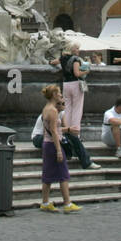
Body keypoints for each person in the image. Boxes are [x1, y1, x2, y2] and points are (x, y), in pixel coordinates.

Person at [38, 84, 80, 213]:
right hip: (53, 144)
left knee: (48, 174)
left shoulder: (46, 108)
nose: (61, 95)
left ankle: (45, 202)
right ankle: (67, 203)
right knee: (63, 174)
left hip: (47, 143)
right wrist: (58, 150)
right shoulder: (53, 111)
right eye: (59, 93)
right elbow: (54, 131)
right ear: (55, 95)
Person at [31, 100, 101, 170]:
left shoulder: (62, 113)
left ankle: (87, 163)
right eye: (62, 104)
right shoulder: (48, 114)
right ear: (56, 105)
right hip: (38, 137)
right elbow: (51, 131)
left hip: (53, 135)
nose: (64, 105)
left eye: (64, 103)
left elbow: (65, 128)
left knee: (72, 137)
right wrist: (68, 130)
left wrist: (72, 134)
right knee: (57, 139)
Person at [56, 42, 88, 143]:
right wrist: (86, 71)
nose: (78, 50)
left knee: (68, 109)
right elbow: (77, 73)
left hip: (65, 84)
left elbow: (54, 62)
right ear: (72, 49)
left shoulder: (62, 58)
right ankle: (75, 134)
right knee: (77, 109)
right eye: (77, 48)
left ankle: (67, 130)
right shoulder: (76, 59)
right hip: (75, 84)